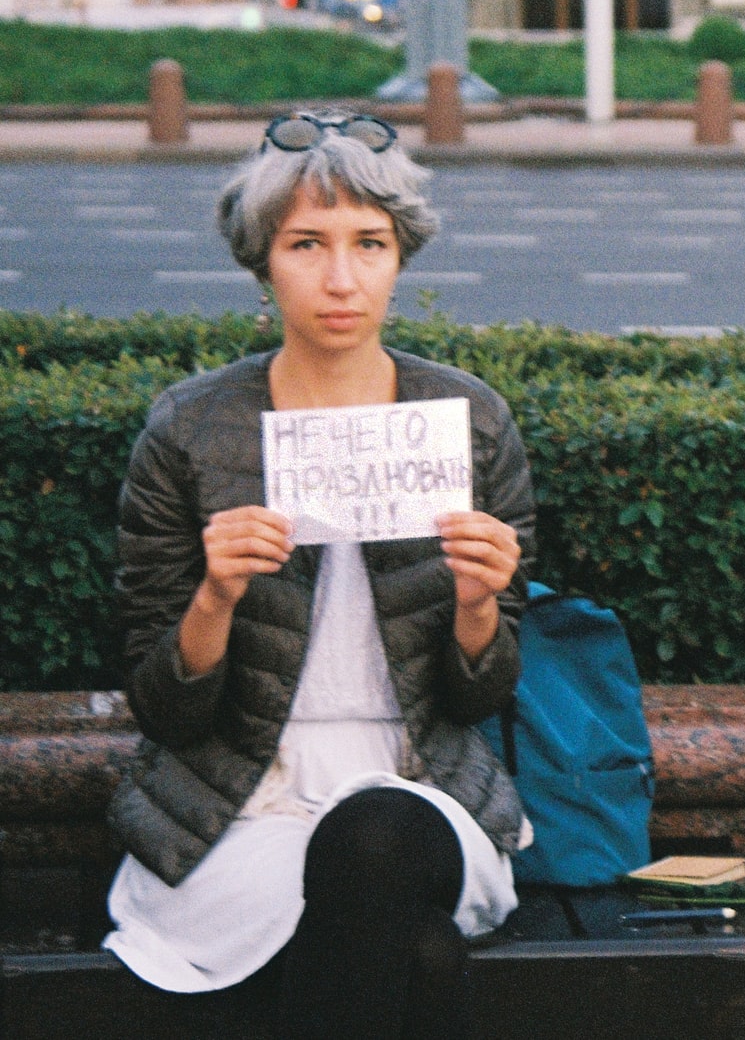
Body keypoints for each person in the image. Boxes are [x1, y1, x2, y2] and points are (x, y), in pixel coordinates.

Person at [102, 111, 535, 1039]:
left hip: (421, 787)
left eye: (369, 244)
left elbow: (483, 694)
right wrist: (214, 596)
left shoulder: (468, 419)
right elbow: (162, 707)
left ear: (400, 258)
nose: (341, 278)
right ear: (263, 264)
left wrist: (478, 604)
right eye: (307, 244)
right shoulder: (191, 427)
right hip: (240, 802)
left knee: (374, 837)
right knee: (415, 951)